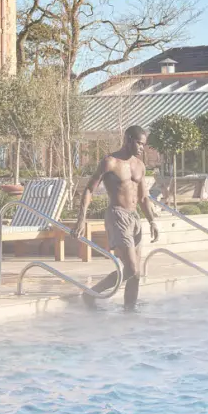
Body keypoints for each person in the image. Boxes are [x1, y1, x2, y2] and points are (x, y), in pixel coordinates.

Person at [74, 124, 160, 311]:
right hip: (117, 216)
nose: (141, 148)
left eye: (143, 144)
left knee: (136, 274)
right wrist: (81, 218)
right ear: (128, 139)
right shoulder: (110, 162)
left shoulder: (140, 166)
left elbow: (144, 197)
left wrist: (152, 221)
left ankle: (130, 312)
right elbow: (89, 188)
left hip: (134, 218)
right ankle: (91, 293)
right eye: (138, 143)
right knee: (131, 268)